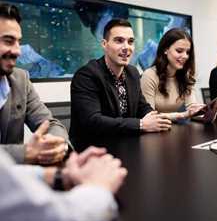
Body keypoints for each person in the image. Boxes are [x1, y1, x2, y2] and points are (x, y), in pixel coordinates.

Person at [70, 19, 172, 148]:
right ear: (104, 44)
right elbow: (93, 121)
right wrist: (141, 124)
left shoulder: (132, 73)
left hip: (126, 144)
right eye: (119, 41)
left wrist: (155, 118)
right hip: (93, 150)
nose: (126, 47)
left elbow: (142, 106)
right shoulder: (86, 75)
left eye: (130, 42)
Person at [0, 122, 127, 221]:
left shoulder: (20, 88)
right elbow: (57, 218)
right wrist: (98, 187)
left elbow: (52, 123)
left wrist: (59, 175)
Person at [0, 3, 69, 164]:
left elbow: (50, 124)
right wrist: (26, 152)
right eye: (9, 41)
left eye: (18, 42)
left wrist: (56, 144)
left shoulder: (20, 79)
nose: (17, 51)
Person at [140, 28, 203, 121]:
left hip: (172, 129)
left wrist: (204, 111)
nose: (185, 56)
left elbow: (192, 108)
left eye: (188, 52)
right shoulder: (149, 76)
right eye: (179, 51)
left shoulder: (186, 75)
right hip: (152, 131)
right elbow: (149, 117)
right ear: (165, 50)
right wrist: (183, 115)